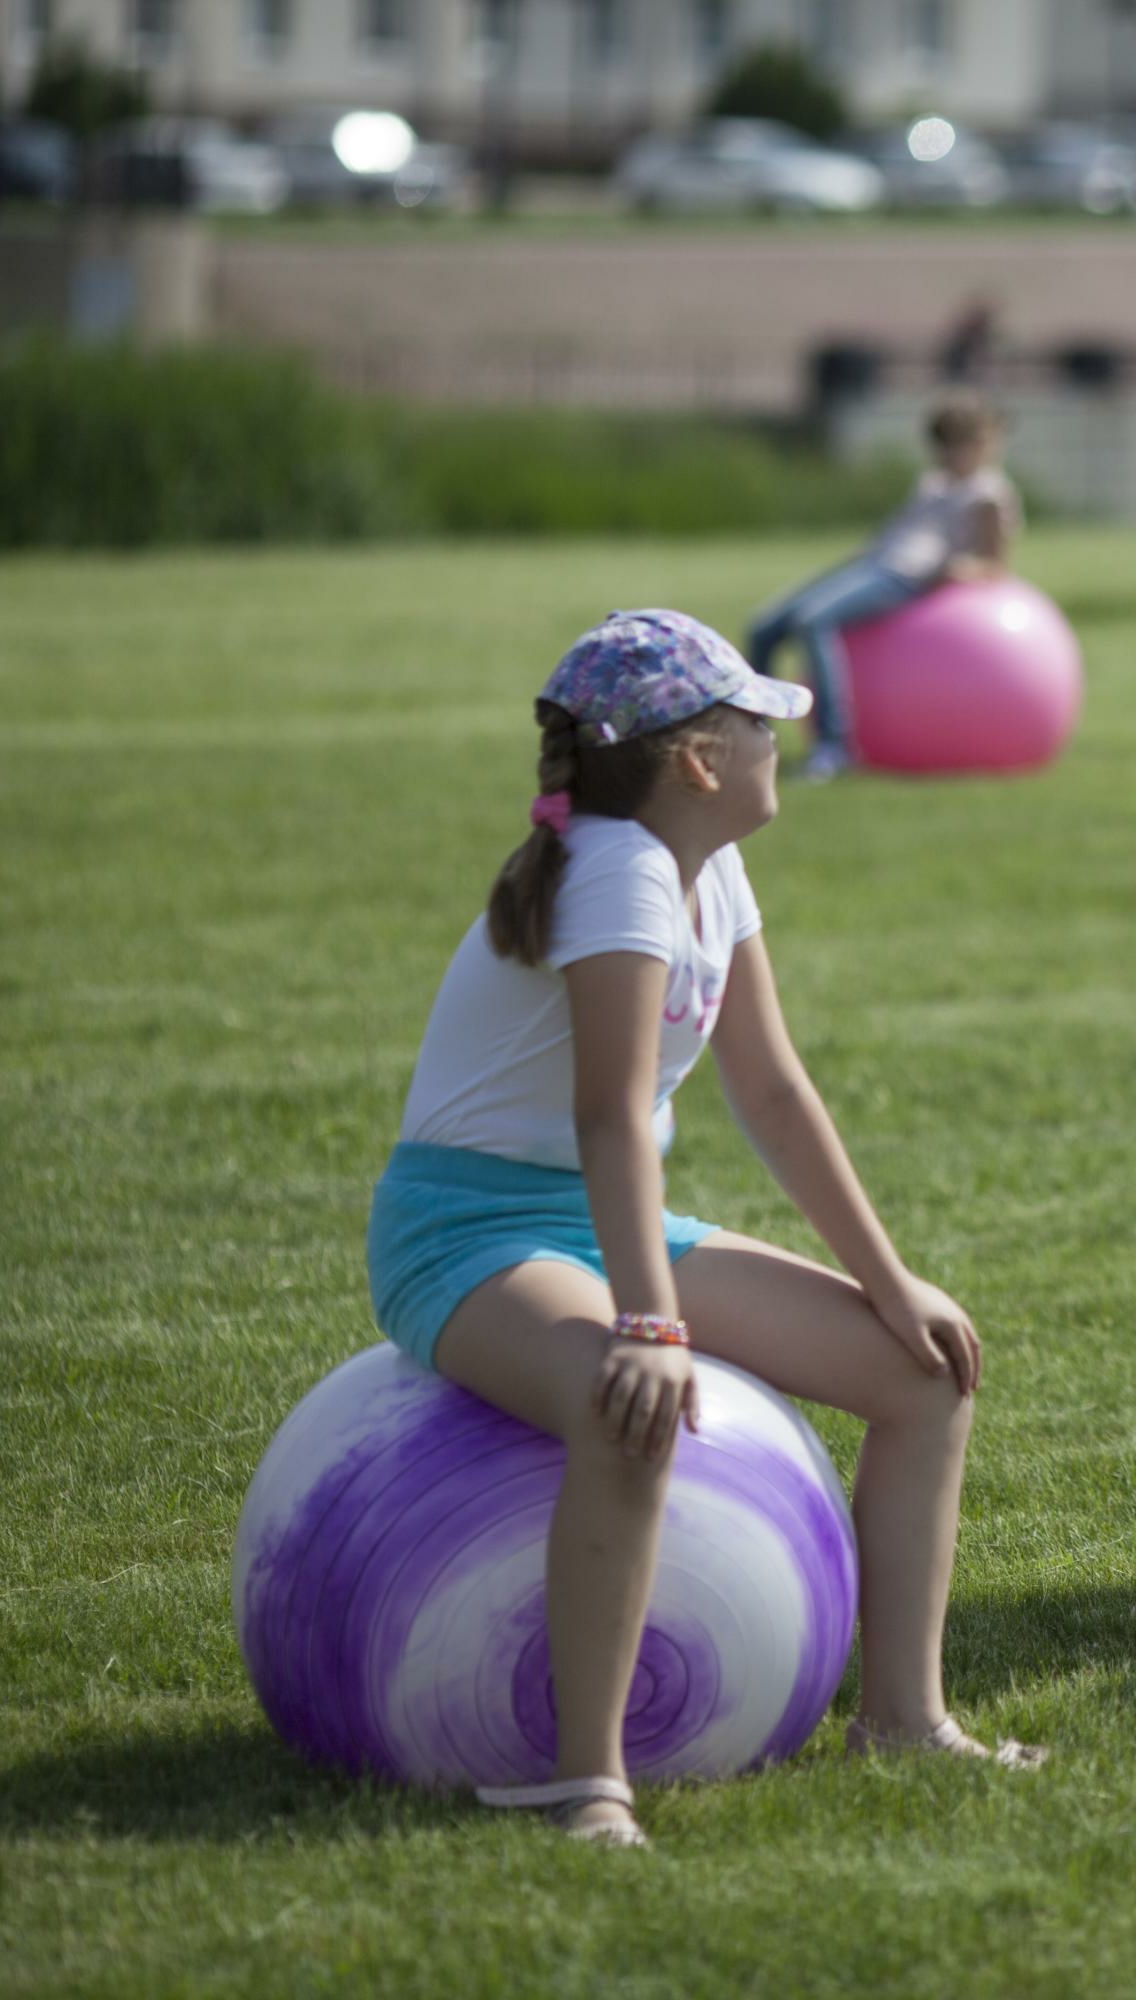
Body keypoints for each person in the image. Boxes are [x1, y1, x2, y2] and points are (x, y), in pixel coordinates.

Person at [364, 610, 1041, 1851]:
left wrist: (888, 1282)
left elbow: (775, 1093)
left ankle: (902, 1718)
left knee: (924, 1376)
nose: (781, 737)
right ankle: (590, 1783)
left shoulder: (706, 864)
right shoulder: (619, 866)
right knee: (633, 1410)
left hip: (600, 1212)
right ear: (696, 757)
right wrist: (648, 1324)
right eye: (756, 720)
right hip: (467, 1229)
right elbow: (612, 1115)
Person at [748, 390, 1023, 780]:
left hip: (905, 577)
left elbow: (995, 564)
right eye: (944, 443)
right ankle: (753, 743)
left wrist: (959, 570)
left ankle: (833, 747)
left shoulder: (989, 494)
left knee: (813, 622)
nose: (950, 453)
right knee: (764, 627)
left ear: (985, 442)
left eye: (962, 442)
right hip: (873, 564)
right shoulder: (932, 483)